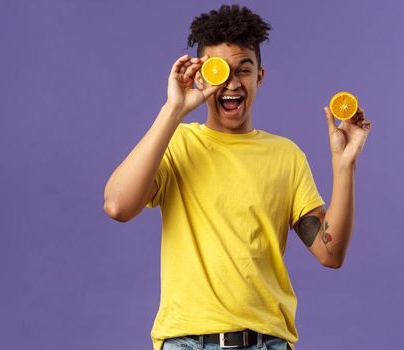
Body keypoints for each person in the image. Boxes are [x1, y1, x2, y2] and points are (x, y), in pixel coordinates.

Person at [102, 4, 372, 350]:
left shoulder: (285, 156)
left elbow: (330, 253)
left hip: (267, 342)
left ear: (260, 76)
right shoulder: (177, 144)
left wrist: (344, 165)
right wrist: (174, 109)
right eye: (219, 72)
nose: (231, 83)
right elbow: (117, 205)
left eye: (243, 70)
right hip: (187, 342)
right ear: (202, 77)